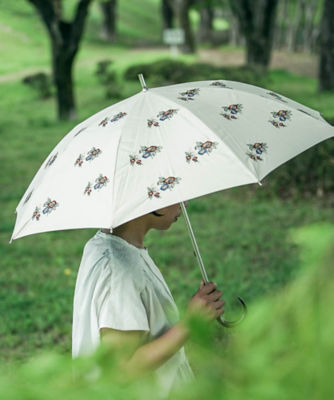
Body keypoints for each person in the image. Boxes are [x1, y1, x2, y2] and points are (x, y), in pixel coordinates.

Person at [72, 201, 225, 397]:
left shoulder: (109, 246)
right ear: (152, 198)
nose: (184, 202)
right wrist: (189, 324)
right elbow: (121, 370)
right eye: (173, 190)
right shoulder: (120, 273)